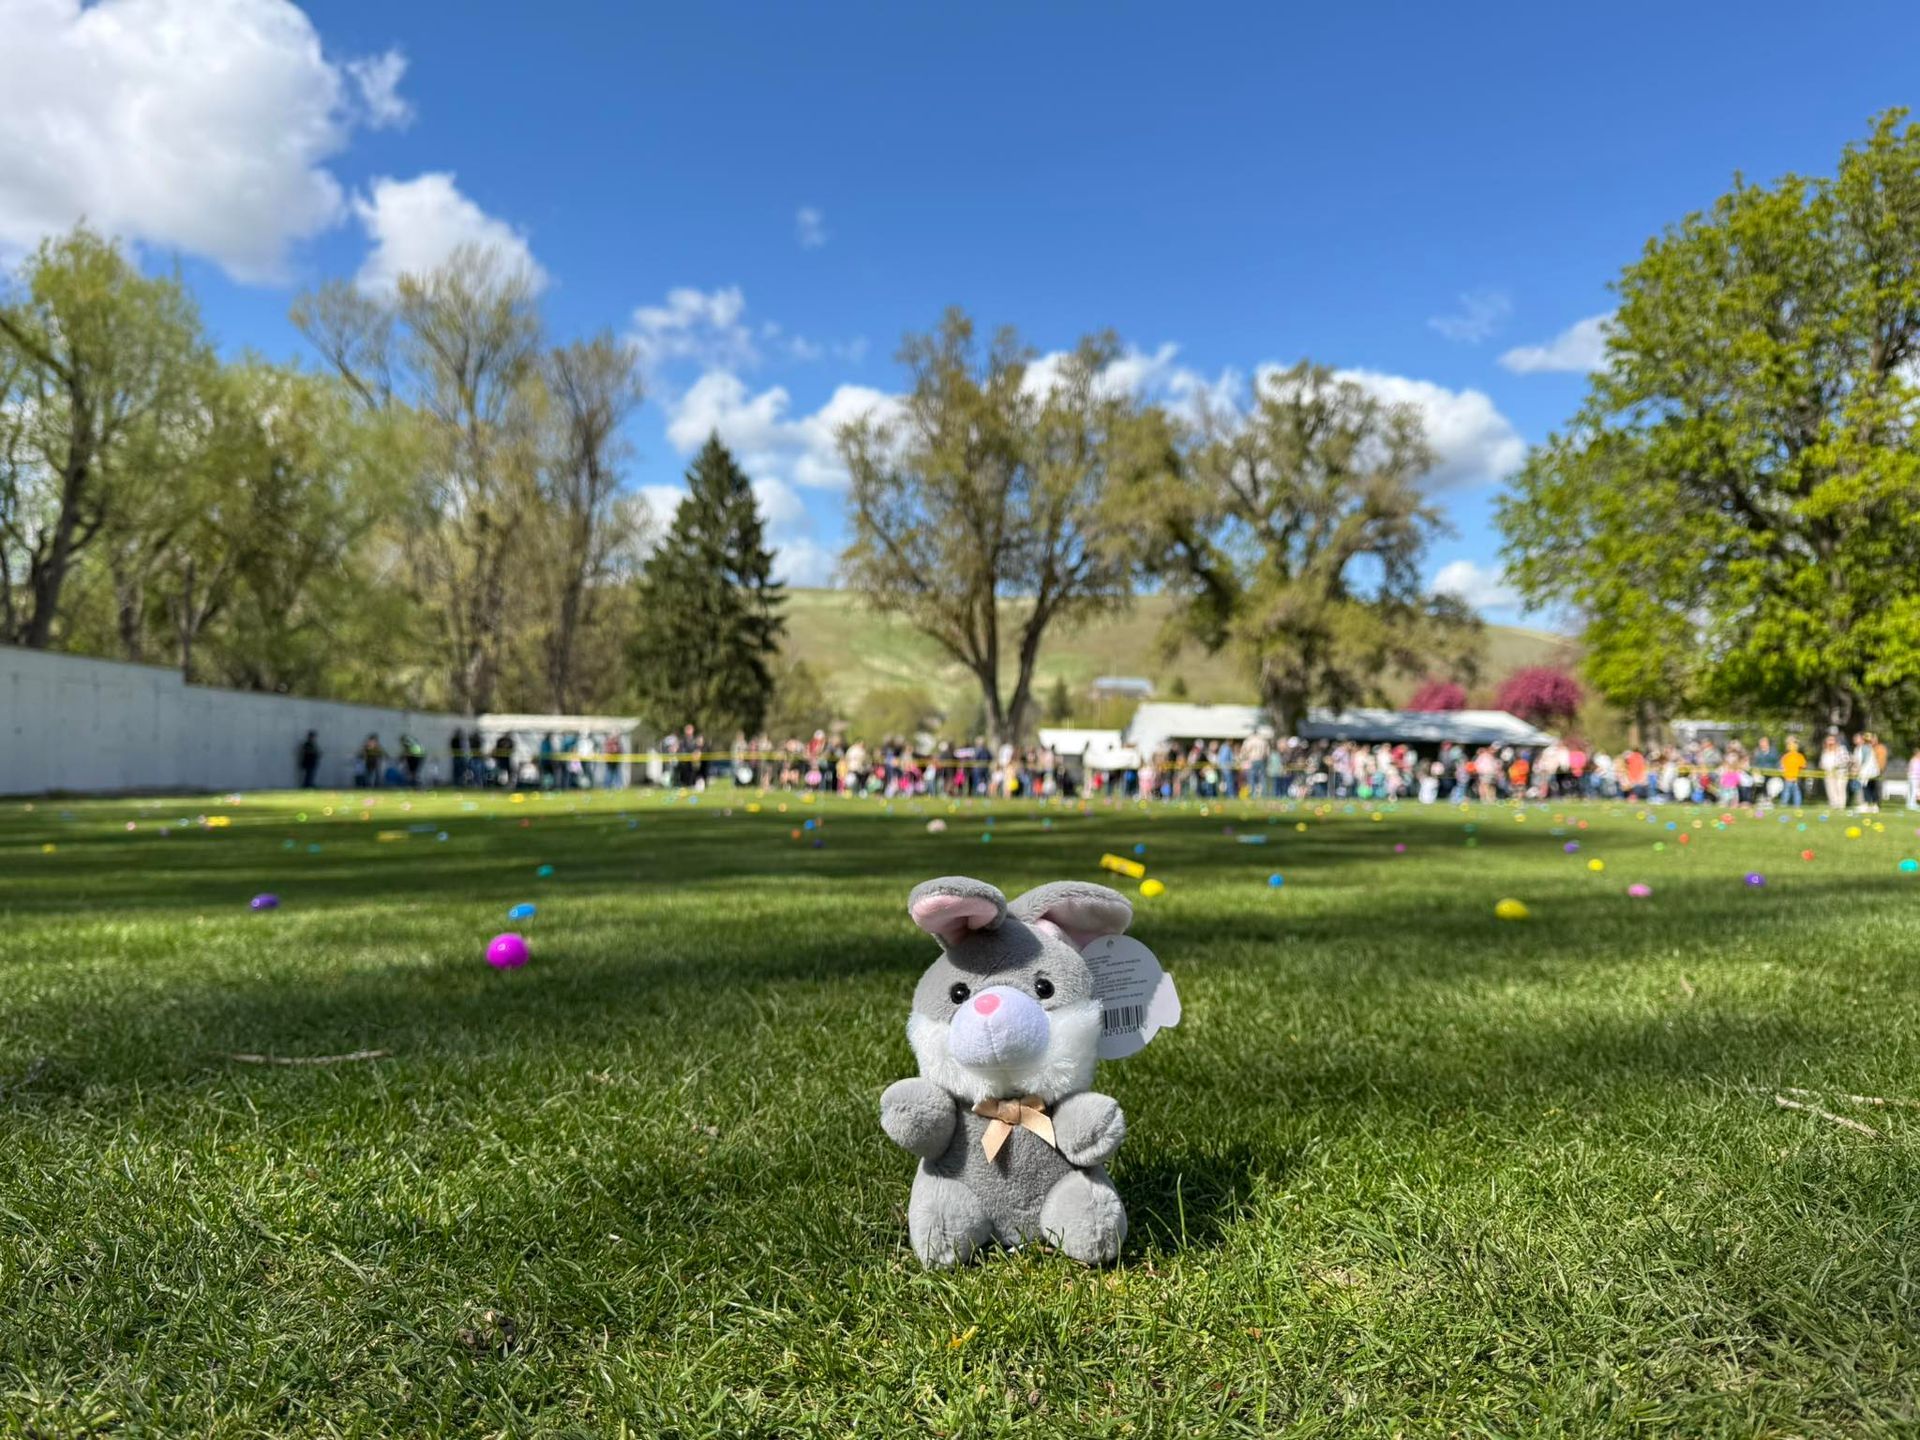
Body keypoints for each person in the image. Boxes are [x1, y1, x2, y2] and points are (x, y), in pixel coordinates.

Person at [1820, 732, 1849, 810]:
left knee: (1840, 788)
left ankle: (1841, 806)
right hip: (1828, 773)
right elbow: (1823, 762)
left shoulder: (1841, 749)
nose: (1830, 742)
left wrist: (1836, 766)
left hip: (1840, 772)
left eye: (1832, 740)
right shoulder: (1825, 751)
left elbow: (1846, 760)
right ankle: (1834, 804)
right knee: (1830, 789)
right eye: (1828, 740)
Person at [1779, 736, 1805, 808]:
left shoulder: (1799, 756)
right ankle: (1786, 804)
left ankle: (1794, 805)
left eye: (1794, 743)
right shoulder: (1786, 756)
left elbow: (1803, 766)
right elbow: (1782, 766)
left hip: (1795, 778)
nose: (1792, 746)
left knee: (1794, 792)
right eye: (1790, 744)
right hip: (1788, 778)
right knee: (1789, 792)